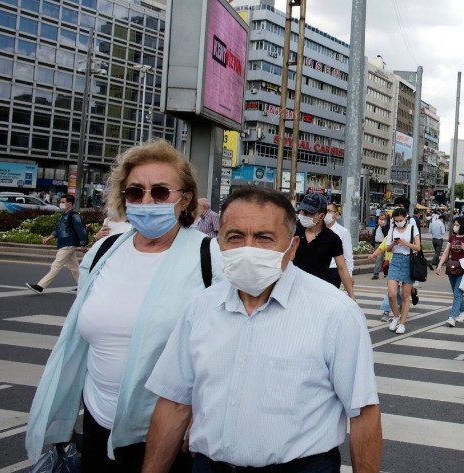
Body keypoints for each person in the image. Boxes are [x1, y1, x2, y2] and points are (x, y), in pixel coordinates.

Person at [142, 187, 381, 473]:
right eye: (235, 237)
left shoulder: (336, 314)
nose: (248, 249)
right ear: (218, 243)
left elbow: (363, 413)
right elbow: (173, 404)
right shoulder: (200, 309)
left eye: (264, 238)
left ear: (292, 247)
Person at [26, 140, 223, 471]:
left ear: (184, 199)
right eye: (135, 192)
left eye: (160, 192)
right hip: (98, 420)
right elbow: (80, 337)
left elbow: (223, 349)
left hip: (172, 430)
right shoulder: (104, 252)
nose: (146, 200)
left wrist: (203, 418)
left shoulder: (209, 256)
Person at [292, 193, 355, 300]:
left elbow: (342, 268)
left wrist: (352, 297)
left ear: (321, 216)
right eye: (301, 211)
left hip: (318, 293)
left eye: (308, 213)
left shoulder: (332, 239)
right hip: (292, 288)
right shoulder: (293, 230)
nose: (303, 215)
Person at [25, 195, 89, 294]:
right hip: (64, 243)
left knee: (56, 265)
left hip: (69, 243)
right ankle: (83, 286)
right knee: (74, 267)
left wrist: (83, 244)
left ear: (70, 203)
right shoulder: (64, 215)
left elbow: (81, 230)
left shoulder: (74, 215)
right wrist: (48, 238)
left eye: (63, 202)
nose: (61, 203)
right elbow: (57, 230)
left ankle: (40, 286)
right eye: (61, 202)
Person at [384, 207, 421, 334]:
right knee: (391, 294)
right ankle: (395, 316)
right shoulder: (392, 229)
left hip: (408, 261)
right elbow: (388, 249)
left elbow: (418, 247)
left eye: (400, 220)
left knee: (405, 296)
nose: (398, 222)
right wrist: (394, 244)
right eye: (396, 220)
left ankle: (402, 323)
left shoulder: (412, 228)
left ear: (406, 218)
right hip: (395, 261)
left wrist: (405, 243)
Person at [436, 216, 464, 327]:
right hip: (452, 267)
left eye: (457, 224)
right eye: (454, 224)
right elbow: (446, 252)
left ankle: (452, 317)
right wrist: (439, 265)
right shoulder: (452, 237)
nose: (455, 226)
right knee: (456, 293)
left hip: (463, 268)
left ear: (462, 225)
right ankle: (463, 312)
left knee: (457, 293)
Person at [325, 203, 354, 288]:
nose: (326, 214)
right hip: (320, 269)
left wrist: (349, 275)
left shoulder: (343, 232)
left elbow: (348, 256)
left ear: (336, 214)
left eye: (329, 211)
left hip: (334, 271)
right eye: (325, 211)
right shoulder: (319, 230)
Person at [371, 213, 390, 280]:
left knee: (382, 259)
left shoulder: (387, 226)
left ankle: (376, 274)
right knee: (378, 259)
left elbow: (386, 235)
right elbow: (374, 235)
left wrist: (382, 227)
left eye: (383, 219)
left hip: (384, 244)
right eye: (380, 219)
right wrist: (372, 244)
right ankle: (379, 273)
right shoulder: (376, 226)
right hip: (377, 244)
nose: (381, 221)